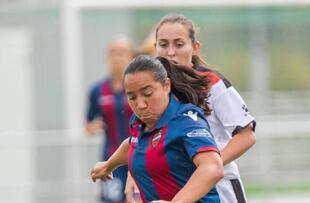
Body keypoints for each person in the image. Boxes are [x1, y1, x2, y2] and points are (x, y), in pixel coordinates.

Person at [126, 14, 256, 203]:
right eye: (163, 45)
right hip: (177, 188)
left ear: (194, 47)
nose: (170, 52)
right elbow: (143, 137)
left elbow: (246, 136)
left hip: (219, 187)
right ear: (155, 48)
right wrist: (135, 172)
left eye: (179, 44)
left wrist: (208, 164)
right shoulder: (155, 90)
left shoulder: (212, 83)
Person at [90, 55, 224, 203]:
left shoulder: (186, 120)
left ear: (166, 86)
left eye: (147, 94)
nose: (140, 105)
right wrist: (109, 165)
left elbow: (212, 167)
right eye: (132, 97)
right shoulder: (139, 122)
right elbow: (134, 143)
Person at [86, 37, 134, 203]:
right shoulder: (97, 90)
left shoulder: (138, 87)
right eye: (113, 53)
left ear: (130, 56)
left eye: (122, 52)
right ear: (107, 57)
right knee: (111, 199)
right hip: (111, 157)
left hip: (138, 155)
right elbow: (88, 122)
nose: (117, 57)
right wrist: (92, 127)